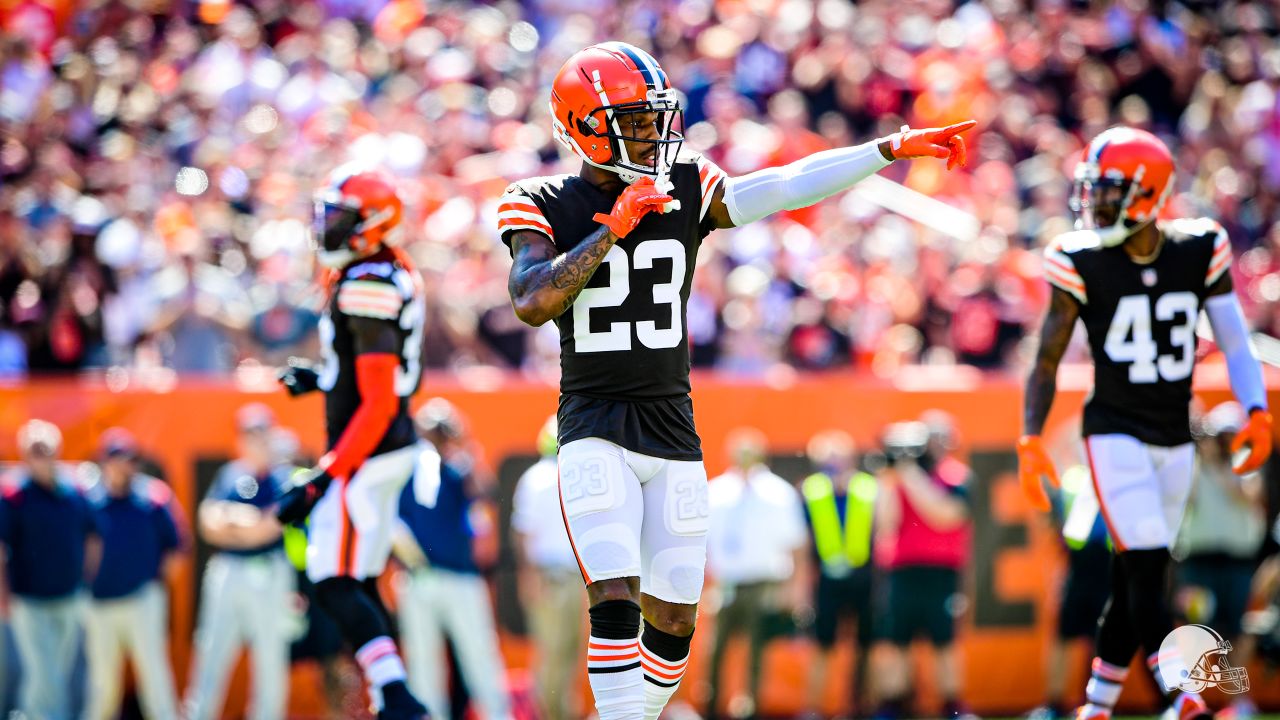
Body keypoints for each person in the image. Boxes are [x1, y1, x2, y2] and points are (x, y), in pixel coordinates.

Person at [498, 40, 972, 720]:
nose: (651, 134)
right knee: (613, 592)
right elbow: (533, 298)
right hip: (594, 419)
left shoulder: (682, 184)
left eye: (653, 117)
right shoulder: (541, 198)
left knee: (675, 625)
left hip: (671, 424)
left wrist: (887, 149)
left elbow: (781, 186)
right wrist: (612, 230)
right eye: (633, 120)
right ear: (584, 128)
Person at [1017, 126, 1274, 720]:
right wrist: (1031, 434)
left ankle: (1097, 706)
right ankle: (1178, 698)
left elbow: (1236, 343)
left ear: (1148, 193)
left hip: (1173, 435)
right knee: (1149, 561)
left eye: (1108, 191)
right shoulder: (1078, 257)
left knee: (1136, 574)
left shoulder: (1199, 247)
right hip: (1112, 431)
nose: (1094, 203)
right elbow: (1048, 356)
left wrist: (1256, 408)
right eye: (1093, 190)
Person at [275, 164, 429, 719]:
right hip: (385, 445)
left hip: (371, 450)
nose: (326, 226)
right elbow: (376, 377)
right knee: (359, 578)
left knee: (331, 578)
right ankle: (395, 694)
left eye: (337, 216)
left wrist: (325, 476)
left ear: (371, 223)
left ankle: (397, 695)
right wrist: (324, 378)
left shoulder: (367, 283)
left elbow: (381, 397)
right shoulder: (382, 269)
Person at [393, 398, 511, 720]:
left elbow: (486, 494)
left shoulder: (460, 467)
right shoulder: (406, 467)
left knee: (480, 659)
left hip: (461, 578)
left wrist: (463, 445)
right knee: (423, 665)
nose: (437, 437)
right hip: (418, 579)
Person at [186, 404, 296, 720]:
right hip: (228, 572)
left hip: (269, 573)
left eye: (261, 433)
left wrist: (233, 523)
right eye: (249, 433)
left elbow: (267, 528)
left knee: (270, 662)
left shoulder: (284, 477)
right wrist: (246, 524)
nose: (255, 440)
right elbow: (207, 523)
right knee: (210, 654)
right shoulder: (230, 473)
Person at [871, 417, 973, 720]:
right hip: (902, 571)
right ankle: (894, 704)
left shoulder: (956, 477)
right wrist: (890, 480)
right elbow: (885, 525)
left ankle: (952, 706)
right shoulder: (899, 478)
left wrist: (910, 476)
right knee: (896, 643)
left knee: (944, 643)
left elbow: (946, 515)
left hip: (941, 572)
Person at [704, 428, 809, 720]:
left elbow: (797, 544)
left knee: (756, 652)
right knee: (715, 650)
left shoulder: (777, 493)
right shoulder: (717, 491)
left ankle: (750, 708)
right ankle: (711, 707)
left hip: (764, 581)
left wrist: (795, 589)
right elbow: (703, 544)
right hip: (727, 583)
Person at [0, 419, 99, 720]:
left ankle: (28, 714)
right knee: (47, 675)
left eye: (46, 449)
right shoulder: (14, 495)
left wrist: (85, 579)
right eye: (34, 450)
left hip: (68, 596)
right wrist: (3, 593)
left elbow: (93, 535)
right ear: (25, 456)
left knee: (56, 671)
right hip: (29, 600)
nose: (41, 457)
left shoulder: (74, 492)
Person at [1173, 402, 1267, 720]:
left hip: (1238, 562)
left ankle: (1238, 703)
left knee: (1240, 633)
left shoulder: (1246, 463)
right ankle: (1188, 703)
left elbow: (1249, 495)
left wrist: (1219, 465)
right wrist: (1201, 459)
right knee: (1194, 633)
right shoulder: (1196, 466)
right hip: (1200, 561)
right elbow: (1181, 499)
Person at [83, 427, 185, 720]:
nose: (124, 466)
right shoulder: (89, 500)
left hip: (142, 600)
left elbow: (177, 549)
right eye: (118, 459)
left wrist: (152, 586)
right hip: (99, 604)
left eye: (130, 459)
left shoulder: (152, 498)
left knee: (155, 681)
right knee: (103, 687)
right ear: (104, 462)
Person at [800, 430, 878, 719]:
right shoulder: (812, 490)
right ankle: (813, 709)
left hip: (864, 576)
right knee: (822, 646)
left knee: (866, 648)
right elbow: (804, 541)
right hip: (827, 580)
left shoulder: (868, 487)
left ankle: (862, 706)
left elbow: (882, 529)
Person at [512, 415, 585, 720]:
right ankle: (547, 714)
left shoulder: (539, 477)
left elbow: (521, 532)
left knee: (565, 653)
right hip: (554, 577)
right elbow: (522, 533)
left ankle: (561, 713)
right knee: (555, 655)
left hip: (563, 577)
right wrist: (529, 576)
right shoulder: (540, 478)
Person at [1028, 464, 1111, 720]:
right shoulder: (1072, 480)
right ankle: (1055, 703)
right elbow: (1050, 518)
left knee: (1104, 642)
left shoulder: (1116, 478)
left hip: (1110, 569)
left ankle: (1098, 703)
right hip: (1077, 567)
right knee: (1064, 636)